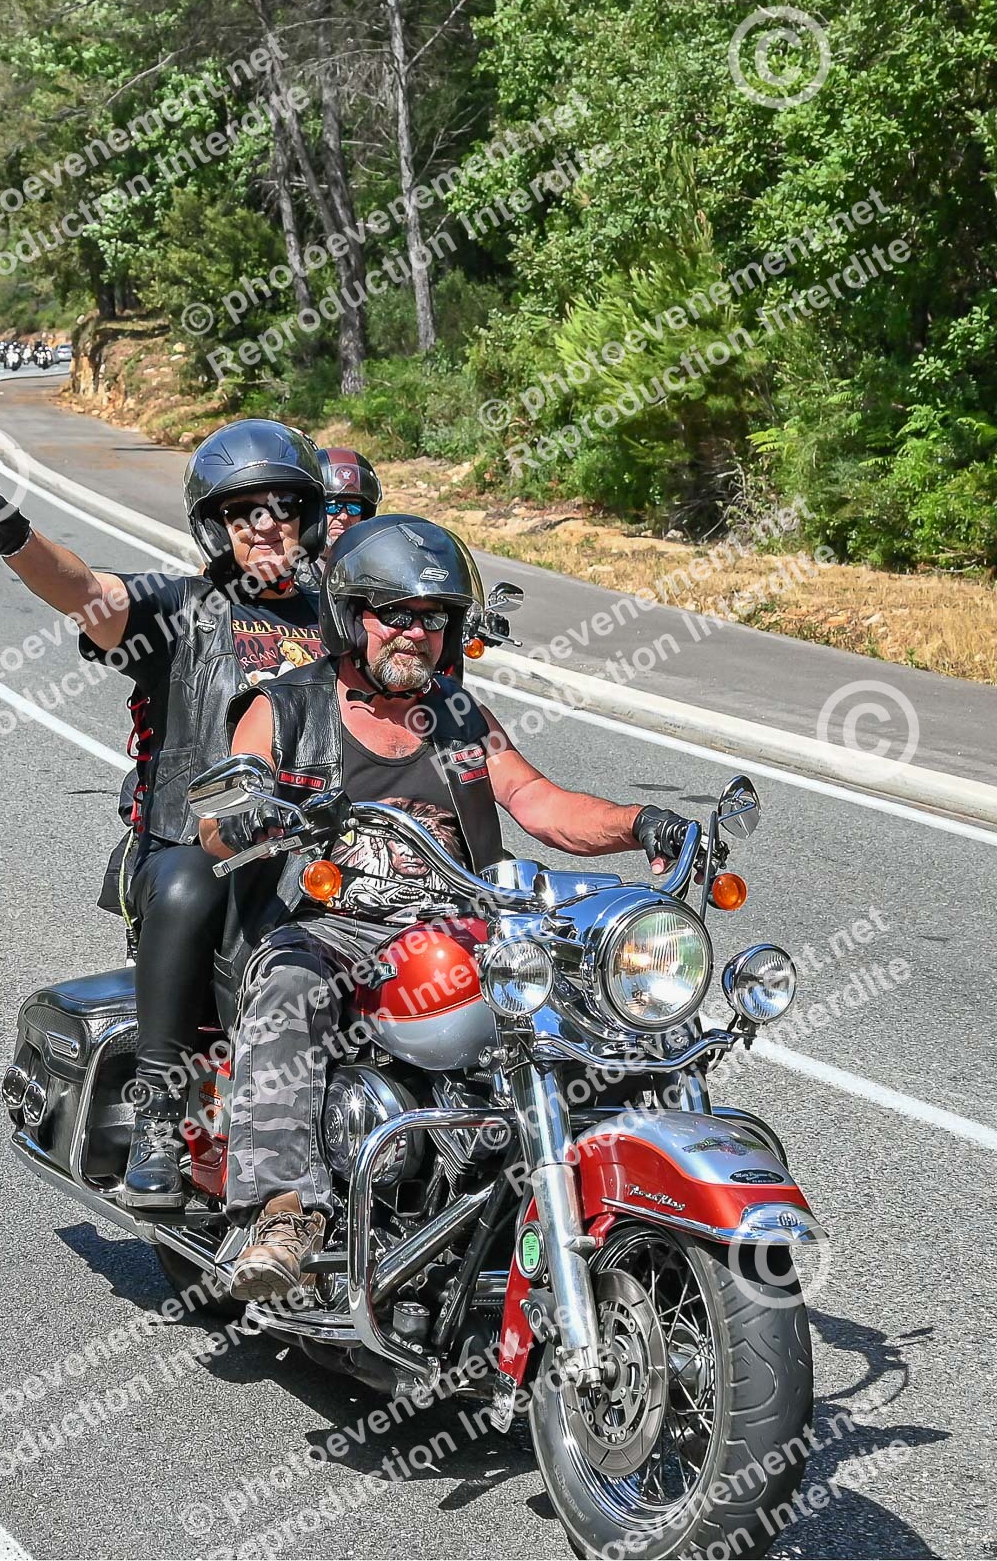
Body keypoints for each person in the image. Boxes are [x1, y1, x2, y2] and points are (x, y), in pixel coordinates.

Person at [199, 515, 695, 1301]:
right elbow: (222, 815)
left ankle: (625, 1186)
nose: (415, 633)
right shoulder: (286, 708)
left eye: (433, 618)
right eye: (395, 613)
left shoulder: (459, 717)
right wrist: (252, 816)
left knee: (611, 989)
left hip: (465, 923)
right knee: (290, 988)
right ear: (348, 616)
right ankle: (283, 1210)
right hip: (335, 929)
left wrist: (639, 823)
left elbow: (538, 802)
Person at [0, 419, 329, 1207]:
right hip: (197, 843)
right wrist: (11, 535)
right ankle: (157, 1115)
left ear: (308, 515)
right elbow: (87, 593)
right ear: (215, 527)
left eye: (282, 505)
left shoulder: (346, 618)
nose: (265, 524)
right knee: (187, 885)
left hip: (323, 844)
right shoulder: (185, 610)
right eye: (243, 511)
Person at [316, 446, 381, 556]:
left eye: (354, 508)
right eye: (333, 506)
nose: (344, 517)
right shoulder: (291, 560)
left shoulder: (372, 560)